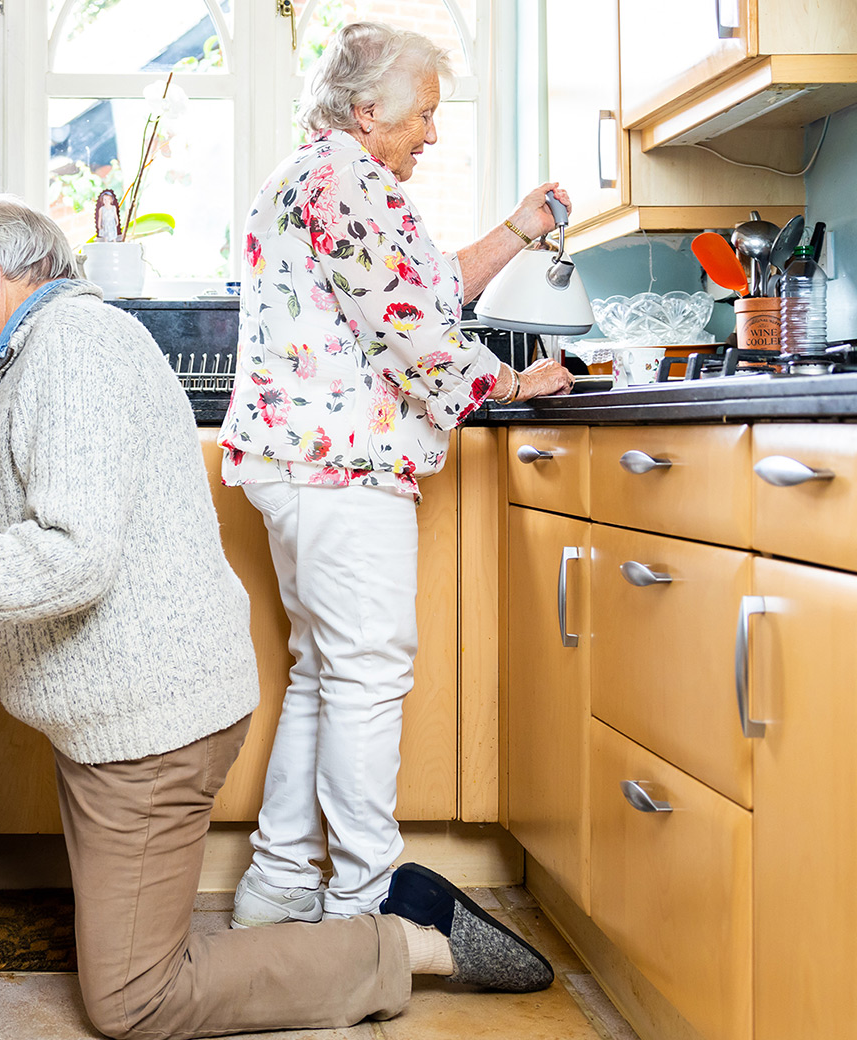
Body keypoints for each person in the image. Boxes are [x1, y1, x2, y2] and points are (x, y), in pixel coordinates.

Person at [0, 197, 554, 1040]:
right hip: (87, 665)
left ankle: (411, 940)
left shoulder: (73, 353)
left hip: (146, 716)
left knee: (135, 1000)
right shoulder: (39, 353)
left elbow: (70, 560)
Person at [219, 22, 574, 930]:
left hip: (297, 463)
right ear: (367, 109)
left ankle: (277, 885)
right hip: (341, 466)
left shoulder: (309, 178)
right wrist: (509, 379)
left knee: (323, 674)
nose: (432, 131)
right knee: (367, 677)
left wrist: (518, 233)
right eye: (423, 113)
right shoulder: (350, 184)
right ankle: (363, 904)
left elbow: (420, 287)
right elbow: (414, 328)